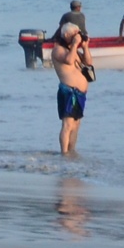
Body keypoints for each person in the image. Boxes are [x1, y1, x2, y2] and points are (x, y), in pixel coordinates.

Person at [50, 22, 92, 153]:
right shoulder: (58, 50)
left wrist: (85, 47)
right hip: (68, 91)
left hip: (80, 94)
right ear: (67, 35)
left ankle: (71, 151)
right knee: (68, 124)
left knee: (76, 125)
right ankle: (64, 152)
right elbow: (68, 60)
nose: (77, 37)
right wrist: (74, 44)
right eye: (74, 34)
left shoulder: (74, 51)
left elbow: (88, 63)